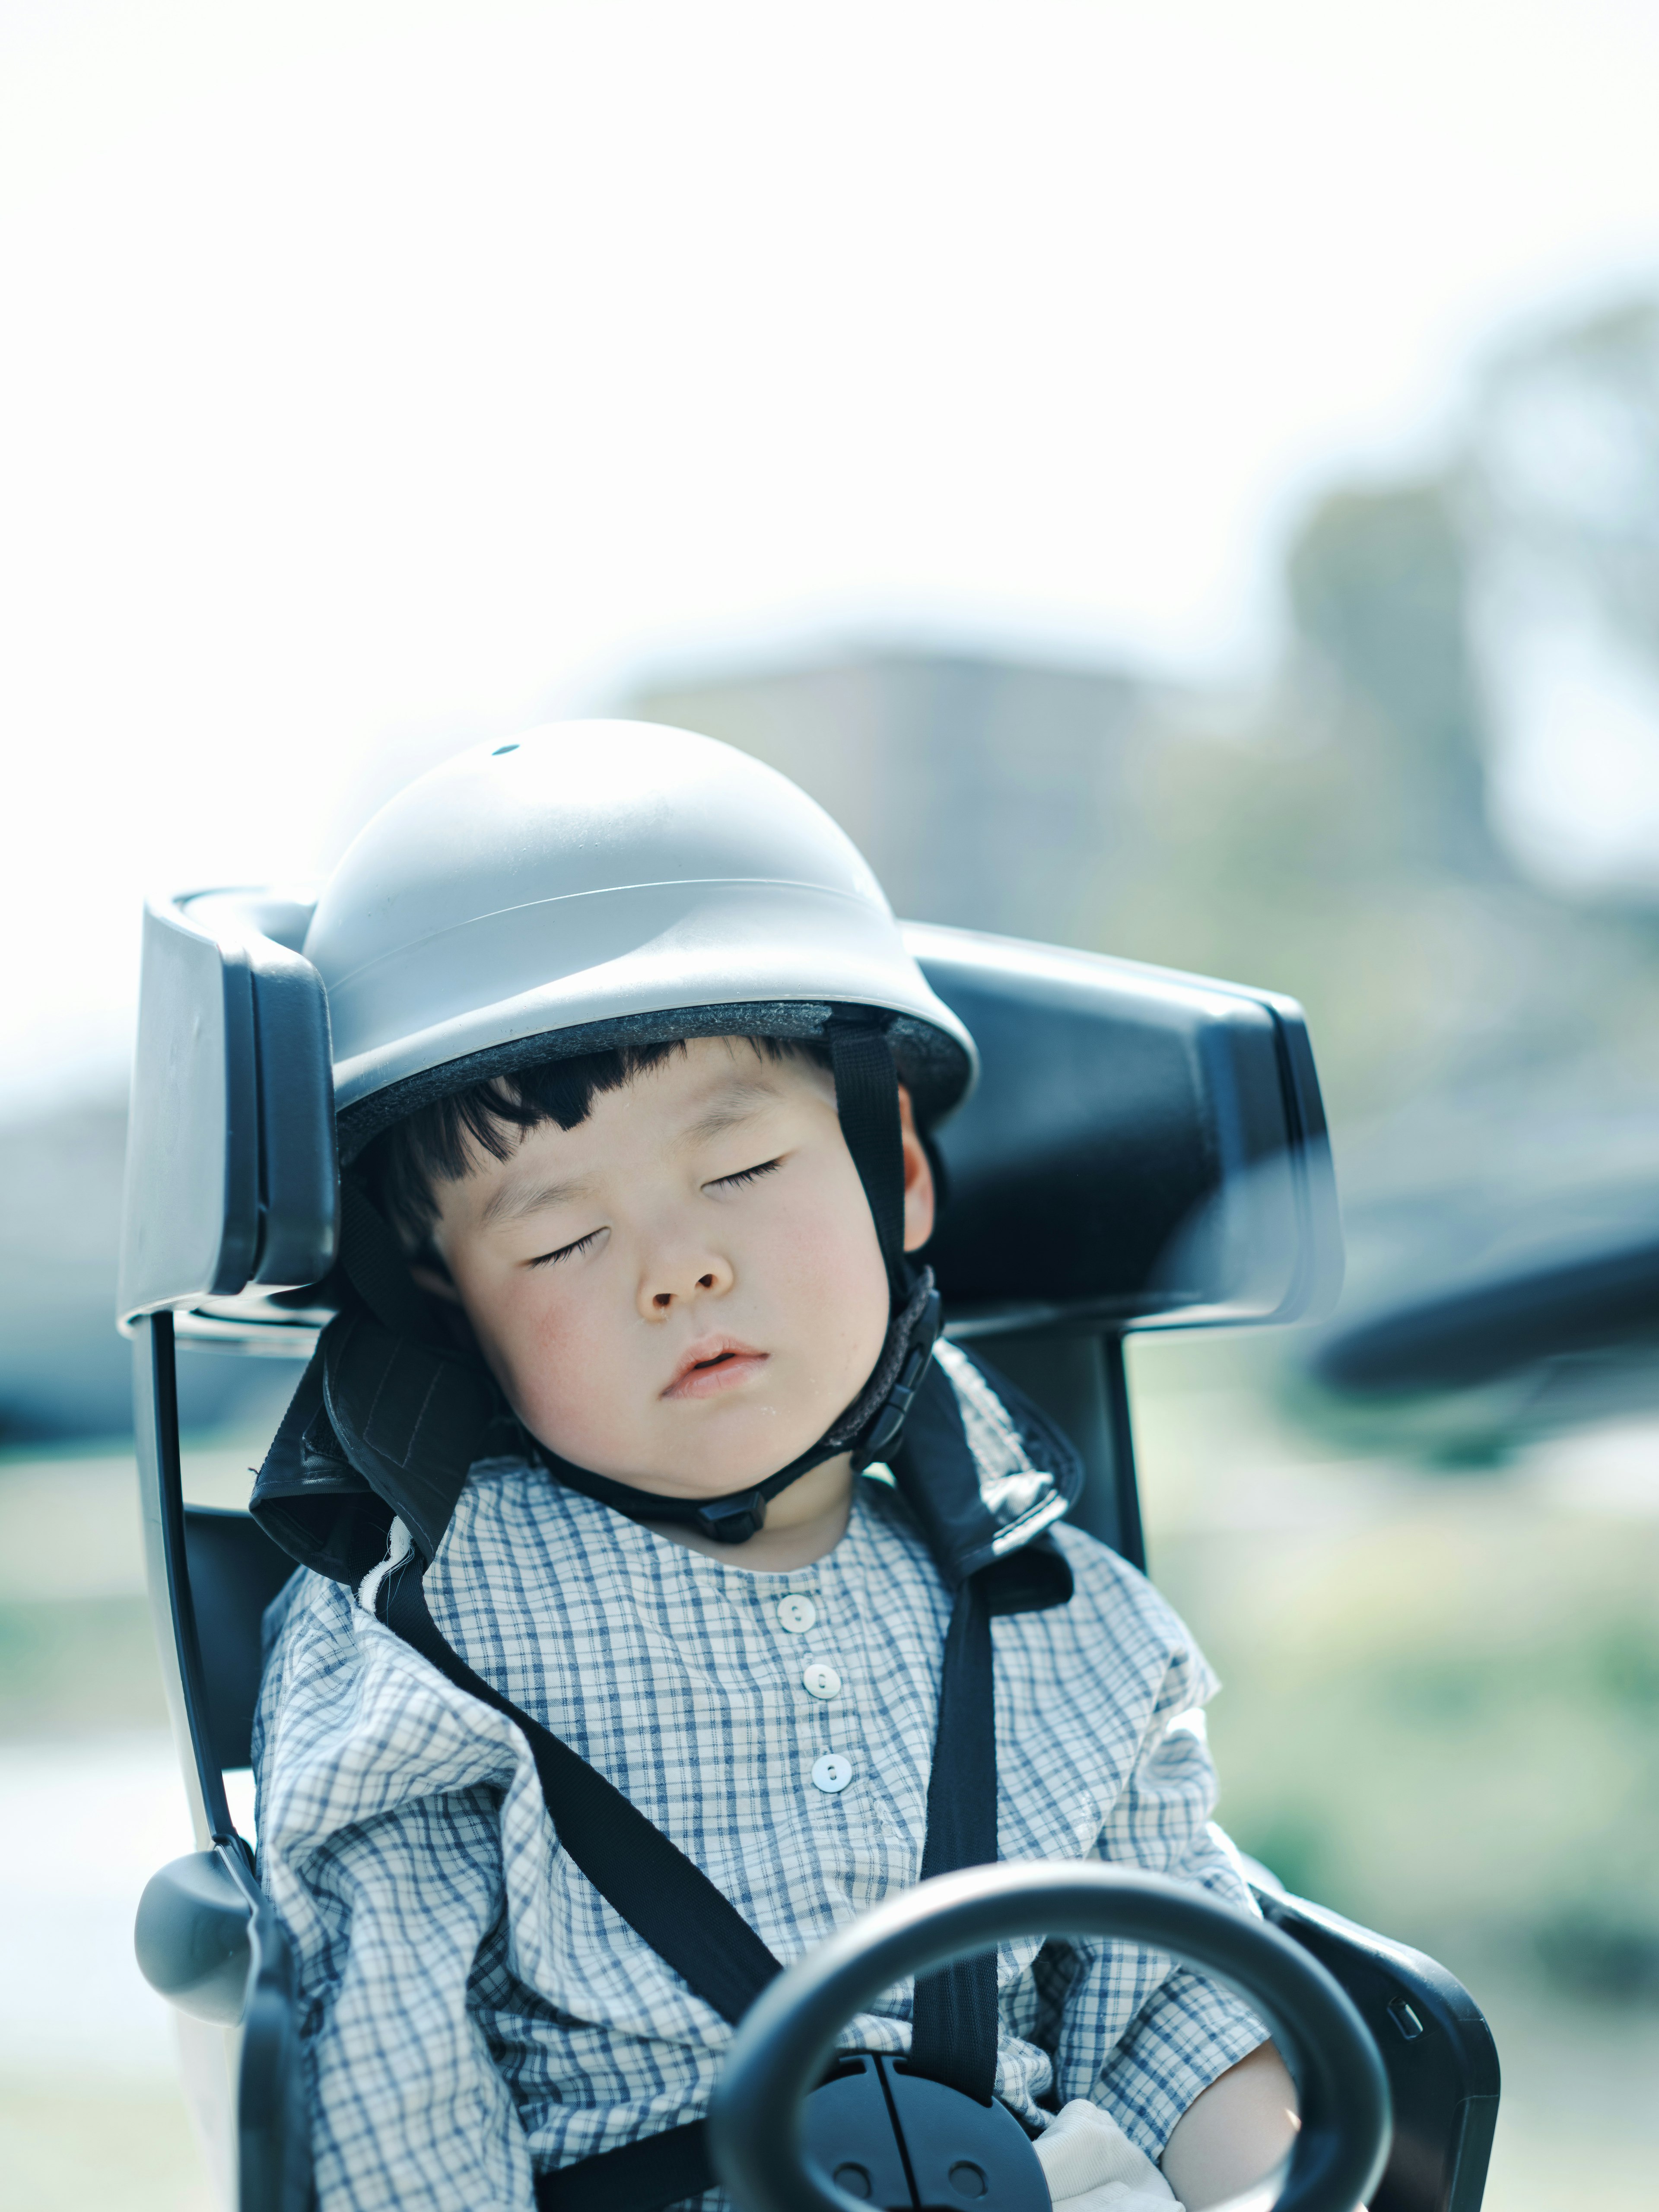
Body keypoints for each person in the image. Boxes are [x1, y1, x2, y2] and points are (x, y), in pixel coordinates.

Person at [250, 722, 1300, 2212]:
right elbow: (390, 2077)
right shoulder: (423, 1637)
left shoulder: (1060, 1606)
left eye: (740, 1169)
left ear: (901, 1179)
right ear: (455, 1313)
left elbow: (1180, 2000)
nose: (678, 1270)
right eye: (561, 1239)